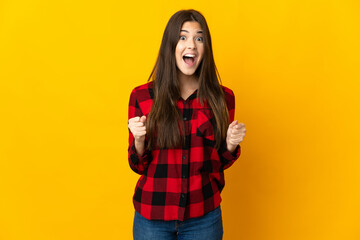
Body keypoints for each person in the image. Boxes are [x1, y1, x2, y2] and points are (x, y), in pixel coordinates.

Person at [127, 9, 246, 240]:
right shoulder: (142, 96)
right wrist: (139, 140)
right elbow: (137, 165)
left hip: (204, 216)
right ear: (170, 45)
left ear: (205, 48)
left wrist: (230, 145)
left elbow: (218, 162)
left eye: (199, 38)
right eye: (183, 37)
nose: (191, 44)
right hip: (152, 218)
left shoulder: (222, 98)